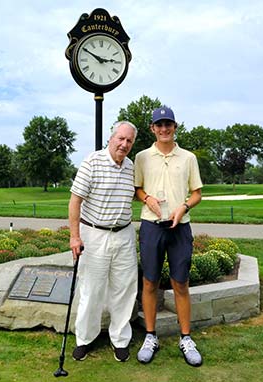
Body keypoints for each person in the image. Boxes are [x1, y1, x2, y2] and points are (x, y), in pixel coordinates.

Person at [134, 106, 203, 367]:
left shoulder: (188, 158)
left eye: (168, 124)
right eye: (159, 125)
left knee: (180, 284)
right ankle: (151, 336)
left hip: (180, 226)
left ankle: (186, 338)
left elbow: (196, 193)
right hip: (151, 226)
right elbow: (137, 189)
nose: (164, 129)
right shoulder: (142, 157)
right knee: (150, 283)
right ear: (152, 128)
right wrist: (148, 198)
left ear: (175, 127)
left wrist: (183, 207)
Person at [69, 121, 138, 363]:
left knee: (124, 289)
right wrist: (74, 236)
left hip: (124, 234)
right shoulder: (92, 161)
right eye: (120, 138)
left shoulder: (131, 166)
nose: (124, 144)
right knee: (92, 290)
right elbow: (75, 201)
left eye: (129, 141)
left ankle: (120, 339)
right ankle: (84, 339)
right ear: (111, 138)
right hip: (94, 235)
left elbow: (138, 192)